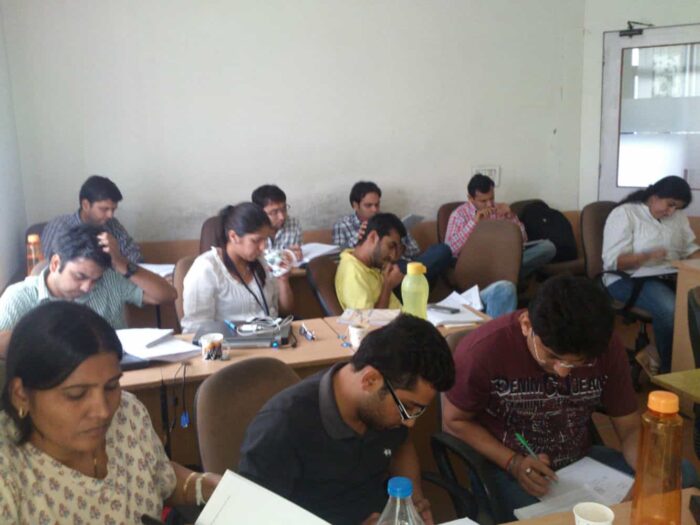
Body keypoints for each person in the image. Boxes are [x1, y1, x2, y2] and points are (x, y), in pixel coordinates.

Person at [442, 275, 698, 522]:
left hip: (582, 463)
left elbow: (630, 428)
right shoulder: (484, 350)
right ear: (526, 325)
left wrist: (648, 477)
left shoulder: (604, 345)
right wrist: (513, 463)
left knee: (678, 474)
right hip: (510, 468)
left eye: (579, 363)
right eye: (552, 357)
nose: (563, 372)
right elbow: (454, 421)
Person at [0, 301, 221, 523]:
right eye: (76, 394)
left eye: (111, 386)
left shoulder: (128, 413)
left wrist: (206, 486)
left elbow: (160, 478)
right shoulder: (8, 474)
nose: (103, 411)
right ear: (21, 395)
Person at [239, 314, 455, 525]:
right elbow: (248, 517)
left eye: (417, 411)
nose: (409, 422)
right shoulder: (281, 427)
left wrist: (411, 503)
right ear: (370, 380)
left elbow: (400, 444)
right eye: (407, 408)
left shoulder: (387, 409)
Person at [0, 224, 176, 356]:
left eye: (95, 279)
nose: (87, 287)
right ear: (55, 264)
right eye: (79, 276)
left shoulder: (109, 280)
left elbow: (167, 295)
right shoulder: (19, 296)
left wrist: (122, 263)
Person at [603, 175, 700, 374]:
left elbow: (690, 249)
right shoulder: (625, 213)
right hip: (626, 279)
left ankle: (663, 355)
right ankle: (669, 372)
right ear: (654, 196)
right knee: (671, 308)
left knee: (695, 302)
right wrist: (645, 256)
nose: (672, 211)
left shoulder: (678, 217)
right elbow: (614, 261)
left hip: (668, 275)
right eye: (670, 204)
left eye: (677, 208)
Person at [335, 213, 516, 317]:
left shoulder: (369, 264)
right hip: (411, 326)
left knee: (503, 290)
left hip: (420, 314)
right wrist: (388, 285)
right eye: (391, 246)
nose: (393, 255)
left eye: (397, 248)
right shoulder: (353, 272)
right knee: (503, 292)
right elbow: (368, 324)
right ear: (373, 237)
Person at [181, 202, 294, 333]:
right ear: (233, 236)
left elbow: (285, 312)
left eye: (265, 240)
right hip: (228, 342)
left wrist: (283, 281)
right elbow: (195, 329)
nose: (263, 247)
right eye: (256, 240)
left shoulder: (262, 262)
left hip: (270, 336)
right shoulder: (207, 268)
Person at [332, 181, 452, 283]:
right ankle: (419, 279)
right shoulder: (343, 225)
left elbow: (415, 251)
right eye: (368, 205)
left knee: (442, 250)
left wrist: (397, 244)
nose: (375, 210)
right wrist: (357, 238)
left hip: (406, 264)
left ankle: (417, 278)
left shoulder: (388, 221)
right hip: (382, 269)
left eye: (377, 204)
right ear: (355, 205)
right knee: (421, 272)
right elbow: (338, 261)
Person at [445, 173, 556, 279]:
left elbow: (523, 240)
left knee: (548, 247)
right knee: (512, 269)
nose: (489, 204)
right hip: (478, 263)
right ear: (470, 198)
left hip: (505, 258)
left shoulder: (499, 210)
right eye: (483, 201)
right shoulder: (459, 215)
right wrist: (474, 223)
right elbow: (450, 250)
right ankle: (506, 276)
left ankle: (502, 276)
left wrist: (510, 216)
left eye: (491, 198)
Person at [41, 175, 143, 263]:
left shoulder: (112, 225)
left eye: (113, 209)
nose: (110, 215)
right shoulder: (60, 226)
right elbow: (46, 266)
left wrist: (116, 256)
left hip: (112, 279)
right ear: (85, 205)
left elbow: (136, 258)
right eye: (104, 209)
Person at [251, 184, 303, 260]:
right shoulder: (250, 230)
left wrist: (296, 255)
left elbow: (297, 255)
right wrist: (281, 256)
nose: (282, 217)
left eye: (284, 209)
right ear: (259, 212)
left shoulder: (294, 224)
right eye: (274, 212)